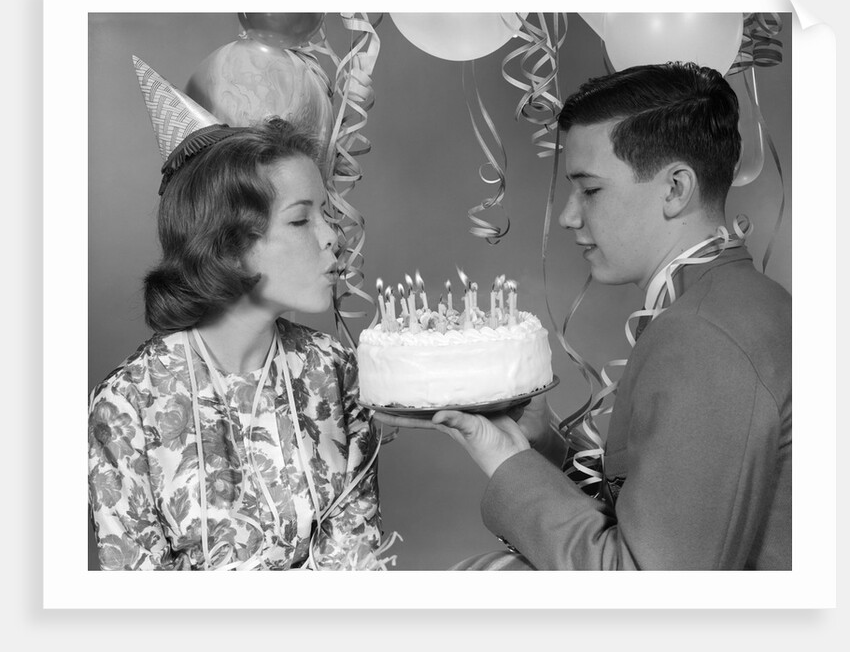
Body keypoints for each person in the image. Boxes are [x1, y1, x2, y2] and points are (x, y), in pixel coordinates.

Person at [376, 61, 791, 570]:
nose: (569, 216)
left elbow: (650, 591)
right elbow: (668, 515)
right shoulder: (732, 301)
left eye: (590, 190)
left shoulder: (705, 335)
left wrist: (505, 460)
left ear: (675, 189)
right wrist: (543, 442)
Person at [88, 56, 387, 570]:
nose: (333, 237)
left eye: (326, 213)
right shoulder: (128, 402)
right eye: (301, 220)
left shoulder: (334, 370)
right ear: (228, 243)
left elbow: (355, 559)